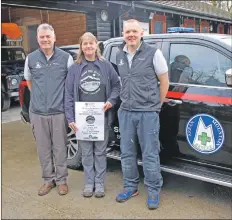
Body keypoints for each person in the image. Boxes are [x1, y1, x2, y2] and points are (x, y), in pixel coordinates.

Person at [115, 19, 169, 209]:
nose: (131, 35)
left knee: (150, 154)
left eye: (134, 31)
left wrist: (156, 106)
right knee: (127, 153)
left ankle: (153, 190)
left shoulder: (154, 53)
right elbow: (121, 82)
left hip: (147, 113)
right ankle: (131, 186)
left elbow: (164, 81)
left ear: (141, 33)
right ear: (124, 34)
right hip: (126, 112)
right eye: (127, 31)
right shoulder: (119, 54)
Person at [64, 32, 120, 198]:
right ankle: (89, 183)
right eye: (85, 43)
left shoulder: (106, 66)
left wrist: (111, 100)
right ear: (81, 47)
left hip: (101, 118)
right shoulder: (74, 68)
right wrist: (70, 118)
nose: (88, 46)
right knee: (87, 153)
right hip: (82, 120)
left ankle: (100, 183)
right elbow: (68, 94)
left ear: (96, 45)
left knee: (100, 152)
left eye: (91, 43)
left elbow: (117, 86)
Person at [24, 23, 74, 196]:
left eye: (48, 37)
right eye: (42, 37)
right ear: (38, 39)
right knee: (43, 148)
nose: (45, 40)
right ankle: (48, 180)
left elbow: (71, 84)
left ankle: (61, 181)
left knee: (60, 148)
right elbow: (29, 82)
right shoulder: (31, 58)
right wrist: (40, 98)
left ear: (54, 38)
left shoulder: (66, 58)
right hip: (37, 112)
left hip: (58, 111)